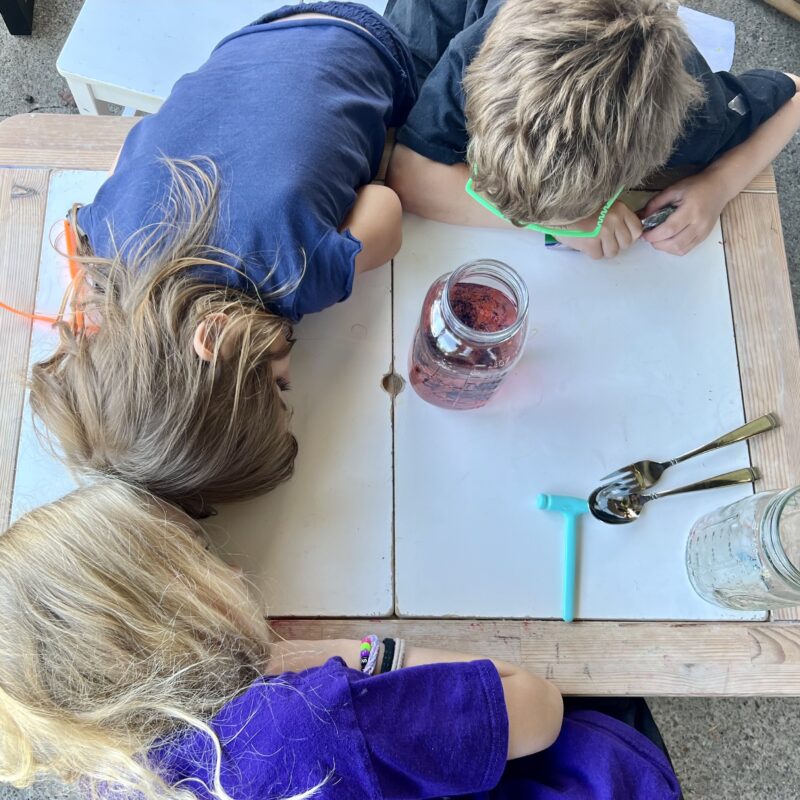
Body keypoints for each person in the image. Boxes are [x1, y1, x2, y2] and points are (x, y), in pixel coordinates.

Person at [0, 480, 682, 799]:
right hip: (589, 782)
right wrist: (352, 657)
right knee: (612, 686)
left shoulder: (108, 779)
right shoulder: (309, 716)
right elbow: (538, 708)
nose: (232, 568)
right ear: (166, 623)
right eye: (199, 562)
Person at [29, 2, 417, 516]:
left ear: (213, 335)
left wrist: (341, 262)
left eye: (277, 386)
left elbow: (386, 209)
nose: (291, 379)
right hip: (247, 43)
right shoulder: (105, 245)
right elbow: (132, 150)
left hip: (369, 45)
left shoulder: (295, 275)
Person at [385, 0, 800, 259]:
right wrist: (557, 225)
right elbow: (407, 174)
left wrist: (718, 185)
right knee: (391, 93)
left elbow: (794, 93)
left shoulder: (697, 116)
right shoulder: (477, 53)